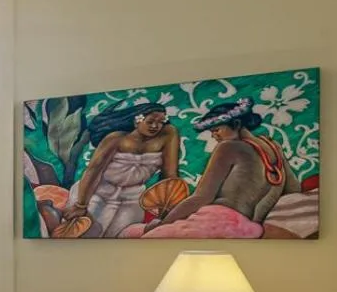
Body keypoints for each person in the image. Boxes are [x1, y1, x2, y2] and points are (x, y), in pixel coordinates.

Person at [150, 98, 297, 230]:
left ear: (237, 124)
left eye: (216, 130)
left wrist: (162, 225)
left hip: (220, 221)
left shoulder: (228, 147)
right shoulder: (273, 145)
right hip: (251, 227)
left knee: (138, 231)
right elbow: (293, 188)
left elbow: (201, 197)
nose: (214, 136)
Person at [57, 102, 180, 237]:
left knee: (119, 237)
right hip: (96, 193)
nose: (155, 126)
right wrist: (81, 205)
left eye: (161, 122)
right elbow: (93, 171)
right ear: (136, 120)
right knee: (85, 234)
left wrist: (167, 207)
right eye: (150, 121)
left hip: (132, 198)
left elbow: (170, 174)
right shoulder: (115, 139)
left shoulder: (168, 134)